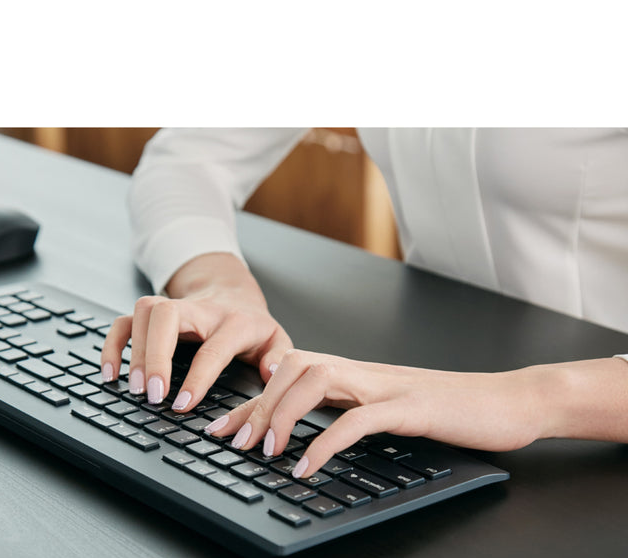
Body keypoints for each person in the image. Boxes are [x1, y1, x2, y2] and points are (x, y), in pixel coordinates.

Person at [101, 128, 628, 481]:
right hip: (434, 366)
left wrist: (532, 397)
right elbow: (190, 158)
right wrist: (219, 285)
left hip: (594, 438)